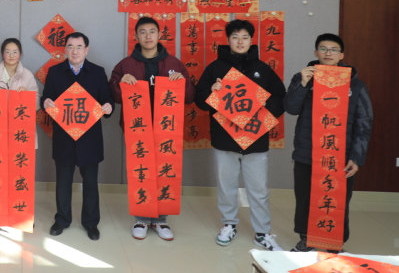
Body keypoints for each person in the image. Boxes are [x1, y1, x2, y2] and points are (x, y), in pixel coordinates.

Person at [195, 19, 286, 251]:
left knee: (259, 189)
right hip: (224, 138)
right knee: (227, 186)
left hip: (255, 139)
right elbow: (199, 100)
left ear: (251, 40)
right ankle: (229, 225)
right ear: (228, 40)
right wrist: (212, 92)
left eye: (245, 37)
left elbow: (280, 97)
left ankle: (262, 232)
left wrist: (262, 103)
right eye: (235, 37)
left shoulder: (262, 69)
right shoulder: (215, 68)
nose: (240, 41)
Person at [109, 16, 196, 241]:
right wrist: (121, 84)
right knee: (141, 171)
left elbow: (189, 97)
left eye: (152, 31)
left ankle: (161, 220)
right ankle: (141, 218)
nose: (148, 36)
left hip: (166, 129)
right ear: (136, 36)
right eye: (143, 32)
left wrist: (182, 82)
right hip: (137, 128)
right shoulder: (125, 65)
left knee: (164, 171)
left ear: (159, 35)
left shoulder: (174, 63)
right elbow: (113, 95)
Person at [284, 33, 373, 252]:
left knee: (338, 200)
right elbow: (291, 108)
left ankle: (335, 242)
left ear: (341, 55)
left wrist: (356, 157)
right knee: (305, 199)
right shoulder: (303, 77)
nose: (328, 53)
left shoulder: (356, 85)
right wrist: (303, 84)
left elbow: (364, 122)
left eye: (334, 50)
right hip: (307, 153)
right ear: (316, 52)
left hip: (339, 155)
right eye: (323, 49)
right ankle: (306, 239)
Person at [43, 32, 114, 241]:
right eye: (70, 47)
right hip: (64, 137)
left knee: (90, 183)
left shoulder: (98, 72)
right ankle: (62, 219)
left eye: (79, 47)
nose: (74, 51)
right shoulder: (55, 71)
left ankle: (91, 223)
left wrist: (108, 106)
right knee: (63, 182)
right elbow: (47, 97)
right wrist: (45, 102)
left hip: (90, 139)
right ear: (65, 49)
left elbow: (107, 99)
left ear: (86, 50)